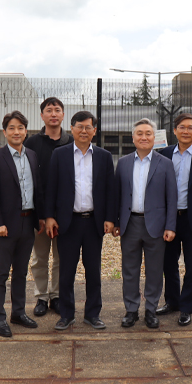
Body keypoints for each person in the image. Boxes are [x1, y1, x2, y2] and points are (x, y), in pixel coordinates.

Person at [45, 110, 115, 330]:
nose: (84, 131)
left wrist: (110, 219)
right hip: (68, 222)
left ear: (94, 131)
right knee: (66, 271)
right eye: (79, 126)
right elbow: (51, 188)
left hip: (94, 222)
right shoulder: (60, 154)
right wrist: (49, 217)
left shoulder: (104, 156)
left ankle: (92, 314)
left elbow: (110, 190)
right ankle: (66, 314)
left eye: (88, 127)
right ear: (72, 128)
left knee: (93, 271)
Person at [0, 111, 45, 338]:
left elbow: (36, 188)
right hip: (5, 226)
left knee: (20, 272)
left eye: (20, 127)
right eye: (11, 128)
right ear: (5, 132)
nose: (16, 132)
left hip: (27, 223)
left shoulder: (32, 155)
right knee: (1, 273)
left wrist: (39, 217)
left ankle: (18, 312)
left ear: (26, 131)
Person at [112, 118, 177, 329]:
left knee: (155, 270)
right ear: (133, 137)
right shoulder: (123, 163)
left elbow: (172, 197)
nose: (144, 137)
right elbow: (118, 194)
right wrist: (116, 222)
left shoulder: (165, 164)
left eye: (148, 133)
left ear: (154, 137)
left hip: (156, 226)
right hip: (130, 224)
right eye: (139, 133)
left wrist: (170, 226)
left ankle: (151, 310)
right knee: (129, 269)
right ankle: (131, 310)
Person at [157, 113, 192, 326]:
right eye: (182, 127)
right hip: (169, 219)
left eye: (190, 128)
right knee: (168, 263)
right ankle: (172, 301)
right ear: (175, 130)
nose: (186, 131)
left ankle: (187, 308)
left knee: (191, 265)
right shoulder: (164, 154)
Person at [24, 97, 73, 317]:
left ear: (63, 115)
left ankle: (57, 296)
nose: (53, 114)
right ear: (42, 115)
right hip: (39, 213)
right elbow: (28, 179)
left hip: (66, 213)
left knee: (61, 258)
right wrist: (41, 214)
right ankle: (41, 297)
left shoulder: (72, 142)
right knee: (40, 258)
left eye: (57, 110)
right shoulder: (31, 143)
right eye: (49, 110)